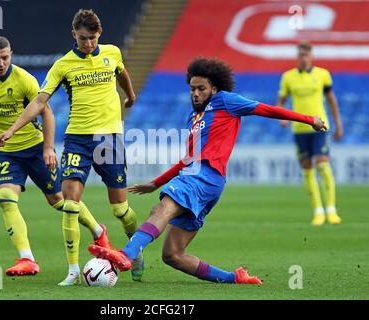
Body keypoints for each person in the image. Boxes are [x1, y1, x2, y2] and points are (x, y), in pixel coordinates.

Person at [87, 57, 327, 285]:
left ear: (213, 88)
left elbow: (266, 109)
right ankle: (235, 278)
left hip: (205, 175)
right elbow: (187, 159)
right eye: (192, 88)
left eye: (201, 88)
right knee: (172, 254)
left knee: (162, 208)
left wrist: (308, 119)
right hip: (204, 180)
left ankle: (127, 255)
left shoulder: (226, 101)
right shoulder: (193, 117)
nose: (195, 93)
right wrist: (156, 183)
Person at [0, 9, 144, 285]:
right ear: (74, 34)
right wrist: (13, 129)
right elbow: (40, 102)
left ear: (100, 35)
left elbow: (121, 73)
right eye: (84, 38)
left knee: (120, 210)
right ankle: (73, 271)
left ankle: (135, 251)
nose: (88, 44)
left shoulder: (112, 53)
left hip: (109, 138)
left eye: (93, 38)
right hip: (78, 140)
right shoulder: (63, 65)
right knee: (70, 204)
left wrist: (131, 96)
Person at [0, 36, 110, 279]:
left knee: (59, 201)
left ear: (11, 55)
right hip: (8, 153)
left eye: (4, 57)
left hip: (35, 149)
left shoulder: (25, 80)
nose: (1, 62)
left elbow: (47, 113)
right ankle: (27, 258)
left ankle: (98, 231)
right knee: (4, 197)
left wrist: (48, 148)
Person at [278, 41, 343, 226]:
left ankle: (331, 210)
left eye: (306, 54)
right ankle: (318, 211)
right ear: (297, 56)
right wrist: (282, 117)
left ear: (311, 55)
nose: (303, 57)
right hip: (299, 129)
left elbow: (332, 101)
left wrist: (338, 125)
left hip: (320, 127)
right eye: (300, 54)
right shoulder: (288, 77)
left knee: (323, 165)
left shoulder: (323, 75)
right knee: (307, 169)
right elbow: (281, 101)